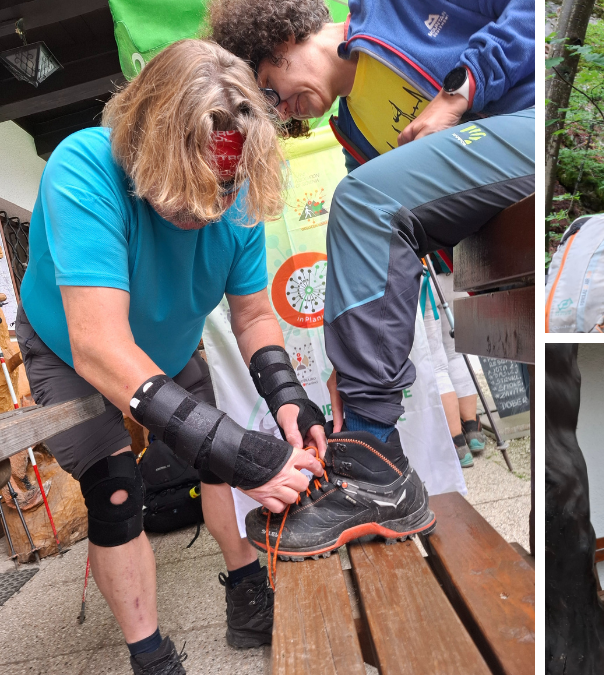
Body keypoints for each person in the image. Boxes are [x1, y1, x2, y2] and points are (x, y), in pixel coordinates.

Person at [17, 40, 330, 672]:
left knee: (214, 464)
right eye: (189, 191)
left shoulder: (237, 184)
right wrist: (236, 445)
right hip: (70, 348)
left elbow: (252, 313)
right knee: (115, 493)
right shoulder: (83, 167)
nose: (208, 209)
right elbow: (100, 345)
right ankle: (150, 656)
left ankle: (246, 594)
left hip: (165, 340)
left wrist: (287, 394)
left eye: (221, 190)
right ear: (145, 148)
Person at [208, 0, 534, 555]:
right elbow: (381, 266)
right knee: (363, 202)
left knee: (358, 199)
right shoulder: (353, 132)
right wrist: (354, 372)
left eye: (266, 88)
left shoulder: (392, 7)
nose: (279, 110)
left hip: (530, 121)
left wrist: (457, 96)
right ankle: (370, 452)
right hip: (500, 253)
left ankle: (374, 467)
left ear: (282, 35)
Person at [420, 259, 484, 468]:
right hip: (456, 272)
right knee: (458, 354)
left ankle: (457, 442)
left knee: (437, 365)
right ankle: (473, 430)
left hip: (425, 279)